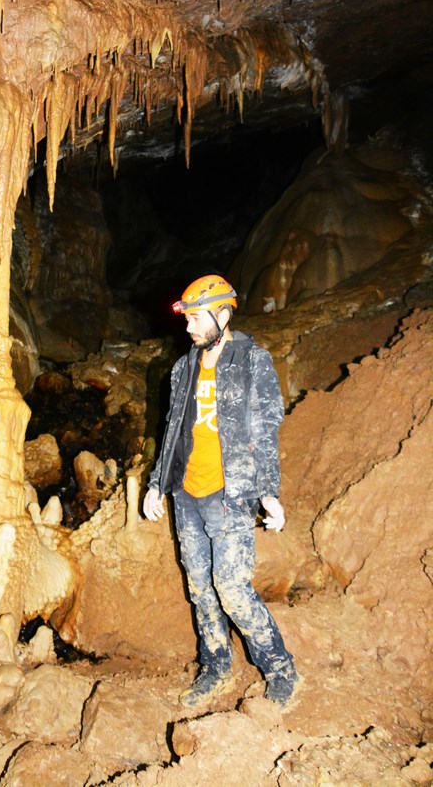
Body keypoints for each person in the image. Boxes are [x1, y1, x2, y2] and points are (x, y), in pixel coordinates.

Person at [143, 274, 298, 708]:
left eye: (196, 318)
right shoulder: (183, 367)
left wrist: (268, 492)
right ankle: (216, 668)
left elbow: (265, 429)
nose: (189, 327)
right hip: (186, 495)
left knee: (231, 587)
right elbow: (172, 429)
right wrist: (157, 484)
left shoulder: (252, 360)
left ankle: (280, 667)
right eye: (188, 318)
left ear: (223, 314)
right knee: (200, 588)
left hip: (229, 496)